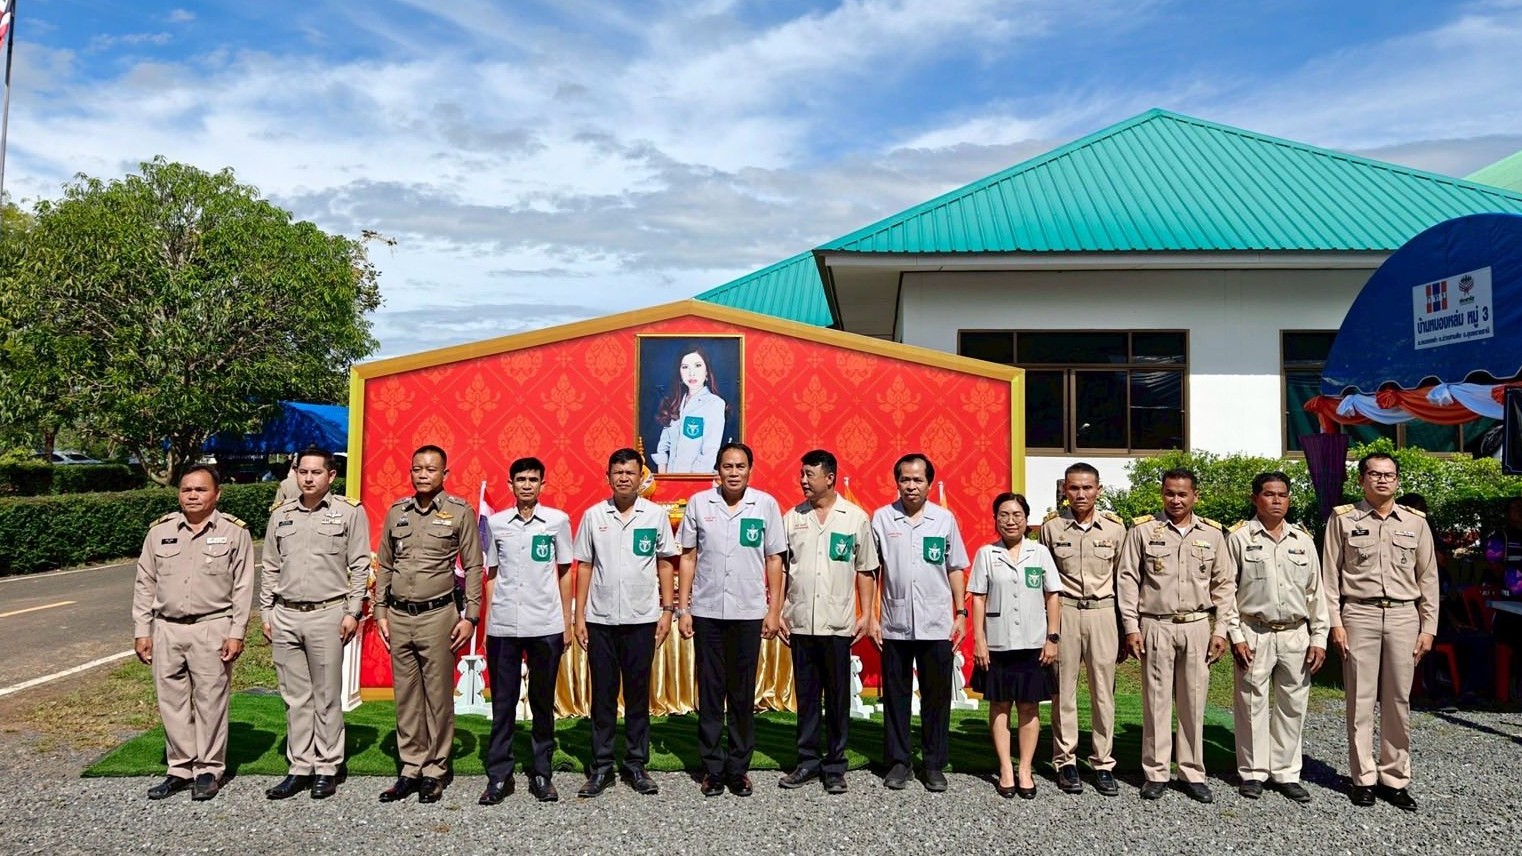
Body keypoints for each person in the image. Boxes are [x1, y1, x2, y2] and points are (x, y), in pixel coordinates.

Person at [131, 464, 255, 801]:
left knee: (210, 701)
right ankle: (180, 768)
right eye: (186, 489)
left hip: (212, 627)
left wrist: (236, 632)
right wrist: (143, 629)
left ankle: (209, 770)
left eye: (200, 490)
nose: (192, 495)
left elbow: (243, 587)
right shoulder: (160, 531)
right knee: (171, 702)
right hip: (167, 628)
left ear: (217, 494)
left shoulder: (234, 533)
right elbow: (145, 583)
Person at [1323, 452, 1438, 812]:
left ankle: (1395, 778)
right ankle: (1363, 778)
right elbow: (1328, 578)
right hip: (1359, 614)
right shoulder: (1343, 520)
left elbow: (1428, 579)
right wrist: (1335, 623)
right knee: (1359, 700)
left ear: (1398, 481)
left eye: (1389, 475)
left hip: (1404, 617)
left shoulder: (1415, 523)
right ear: (1361, 480)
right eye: (1374, 474)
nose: (1382, 480)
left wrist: (1429, 628)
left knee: (1399, 701)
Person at [674, 443, 787, 797]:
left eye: (740, 466)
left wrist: (773, 610)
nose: (733, 472)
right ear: (717, 470)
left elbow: (774, 561)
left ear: (750, 470)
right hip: (707, 612)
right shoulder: (699, 504)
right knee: (710, 692)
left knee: (741, 693)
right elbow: (688, 557)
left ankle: (738, 768)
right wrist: (684, 607)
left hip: (749, 612)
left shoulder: (765, 505)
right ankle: (711, 768)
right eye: (727, 466)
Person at [373, 445, 484, 804]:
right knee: (406, 697)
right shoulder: (397, 513)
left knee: (437, 697)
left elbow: (473, 567)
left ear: (444, 475)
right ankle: (410, 767)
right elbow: (385, 566)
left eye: (431, 469)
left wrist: (471, 617)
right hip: (400, 615)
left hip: (439, 616)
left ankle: (435, 770)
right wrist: (380, 613)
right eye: (417, 468)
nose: (423, 474)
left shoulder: (459, 512)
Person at [259, 447, 372, 801]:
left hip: (328, 613)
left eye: (315, 473)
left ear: (331, 476)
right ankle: (299, 766)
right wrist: (267, 613)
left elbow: (360, 564)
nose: (308, 478)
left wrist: (353, 611)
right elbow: (271, 566)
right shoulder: (281, 515)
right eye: (302, 472)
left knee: (326, 696)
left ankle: (327, 766)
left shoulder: (349, 513)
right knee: (295, 697)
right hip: (286, 614)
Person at [1118, 468, 1235, 803]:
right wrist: (1130, 626)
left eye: (1183, 494)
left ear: (1195, 495)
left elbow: (1224, 585)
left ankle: (1192, 771)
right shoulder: (1143, 531)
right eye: (1170, 493)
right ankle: (1155, 772)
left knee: (1193, 702)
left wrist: (1221, 629)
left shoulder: (1212, 534)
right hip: (1156, 623)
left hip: (1198, 625)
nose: (1176, 500)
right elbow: (1127, 580)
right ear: (1162, 494)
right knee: (1156, 702)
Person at [572, 447, 680, 797]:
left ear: (640, 478)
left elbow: (666, 563)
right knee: (602, 695)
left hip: (642, 619)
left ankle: (636, 763)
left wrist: (667, 611)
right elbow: (584, 566)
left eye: (630, 473)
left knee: (637, 695)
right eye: (617, 472)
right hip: (601, 619)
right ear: (608, 477)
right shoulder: (593, 516)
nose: (623, 478)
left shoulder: (655, 516)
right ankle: (601, 765)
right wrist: (579, 615)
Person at [777, 449, 879, 795]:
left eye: (809, 474)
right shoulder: (793, 517)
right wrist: (777, 611)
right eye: (802, 474)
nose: (803, 481)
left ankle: (835, 765)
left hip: (838, 624)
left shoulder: (855, 519)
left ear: (830, 477)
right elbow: (779, 568)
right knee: (806, 696)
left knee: (837, 698)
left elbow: (866, 569)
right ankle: (806, 760)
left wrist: (867, 615)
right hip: (801, 622)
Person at [1224, 472, 1328, 804]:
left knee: (1292, 705)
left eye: (1283, 494)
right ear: (1256, 498)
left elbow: (1316, 593)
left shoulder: (1302, 540)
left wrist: (1319, 637)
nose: (1277, 500)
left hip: (1295, 633)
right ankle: (1253, 772)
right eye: (1269, 494)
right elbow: (1225, 592)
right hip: (1254, 631)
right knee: (1251, 704)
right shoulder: (1239, 538)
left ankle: (1286, 772)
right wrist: (1235, 635)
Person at [870, 453, 970, 792]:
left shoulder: (944, 520)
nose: (911, 486)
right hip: (894, 622)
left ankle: (933, 763)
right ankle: (899, 762)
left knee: (936, 697)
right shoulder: (882, 519)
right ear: (896, 481)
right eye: (905, 479)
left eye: (918, 480)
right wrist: (871, 617)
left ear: (929, 483)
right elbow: (872, 571)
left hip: (937, 623)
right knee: (896, 697)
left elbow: (955, 567)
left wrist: (961, 613)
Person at [479, 457, 574, 805]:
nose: (527, 485)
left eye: (533, 479)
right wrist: (491, 619)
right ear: (510, 484)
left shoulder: (557, 522)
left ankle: (541, 772)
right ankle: (498, 776)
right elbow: (490, 573)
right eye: (520, 479)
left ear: (542, 484)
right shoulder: (496, 523)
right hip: (504, 626)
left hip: (545, 624)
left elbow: (565, 571)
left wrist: (566, 621)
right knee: (503, 704)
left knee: (542, 701)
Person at [1040, 461, 1127, 796]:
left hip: (1103, 612)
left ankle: (1103, 762)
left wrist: (1123, 626)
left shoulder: (1115, 530)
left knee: (1103, 692)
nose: (1080, 494)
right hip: (1066, 612)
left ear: (1098, 490)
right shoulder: (1051, 529)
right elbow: (1045, 583)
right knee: (1064, 691)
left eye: (1087, 488)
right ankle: (1066, 761)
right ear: (1064, 490)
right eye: (1073, 488)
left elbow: (1124, 579)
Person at [970, 492, 1061, 799]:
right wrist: (979, 640)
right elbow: (979, 598)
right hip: (997, 642)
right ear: (995, 519)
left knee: (1028, 705)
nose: (1011, 520)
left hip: (1034, 643)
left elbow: (1053, 596)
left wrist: (1052, 637)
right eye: (1004, 515)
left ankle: (1025, 769)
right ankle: (1005, 769)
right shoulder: (986, 554)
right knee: (999, 705)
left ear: (1026, 519)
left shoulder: (1040, 553)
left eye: (1017, 515)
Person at [651, 347, 726, 473]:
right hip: (670, 477)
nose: (691, 373)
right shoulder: (674, 403)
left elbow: (710, 452)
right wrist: (663, 477)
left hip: (697, 479)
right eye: (685, 367)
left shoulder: (714, 404)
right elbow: (663, 446)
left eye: (697, 365)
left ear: (707, 371)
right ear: (679, 372)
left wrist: (690, 479)